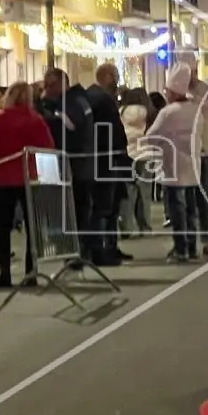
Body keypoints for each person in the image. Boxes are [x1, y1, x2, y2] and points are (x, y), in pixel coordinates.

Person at [0, 82, 55, 286]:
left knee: (2, 228)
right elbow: (48, 148)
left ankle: (5, 274)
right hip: (30, 178)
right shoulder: (36, 121)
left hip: (2, 179)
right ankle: (31, 272)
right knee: (33, 228)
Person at [39, 68, 99, 264]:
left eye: (51, 85)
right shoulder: (77, 100)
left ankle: (75, 252)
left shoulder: (71, 103)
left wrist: (46, 111)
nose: (48, 90)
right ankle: (76, 251)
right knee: (76, 212)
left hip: (75, 167)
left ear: (63, 83)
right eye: (45, 86)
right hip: (78, 166)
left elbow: (69, 128)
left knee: (75, 212)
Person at [145, 64, 203, 263]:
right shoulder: (196, 110)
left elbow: (151, 136)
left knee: (177, 212)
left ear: (172, 91)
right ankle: (192, 246)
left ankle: (181, 249)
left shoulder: (168, 113)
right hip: (193, 168)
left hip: (173, 169)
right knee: (190, 210)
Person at [86, 63, 131, 265]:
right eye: (115, 76)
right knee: (105, 207)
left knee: (111, 207)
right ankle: (101, 249)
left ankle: (110, 246)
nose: (117, 80)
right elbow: (110, 130)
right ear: (106, 77)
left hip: (108, 159)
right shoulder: (100, 99)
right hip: (106, 160)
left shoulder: (96, 97)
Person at [174, 51, 208, 201]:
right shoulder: (176, 92)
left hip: (206, 149)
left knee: (202, 190)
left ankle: (202, 219)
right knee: (187, 192)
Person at [118, 86, 154, 235]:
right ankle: (144, 226)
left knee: (129, 192)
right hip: (146, 155)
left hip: (128, 154)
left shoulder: (122, 111)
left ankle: (126, 226)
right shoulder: (149, 112)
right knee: (144, 192)